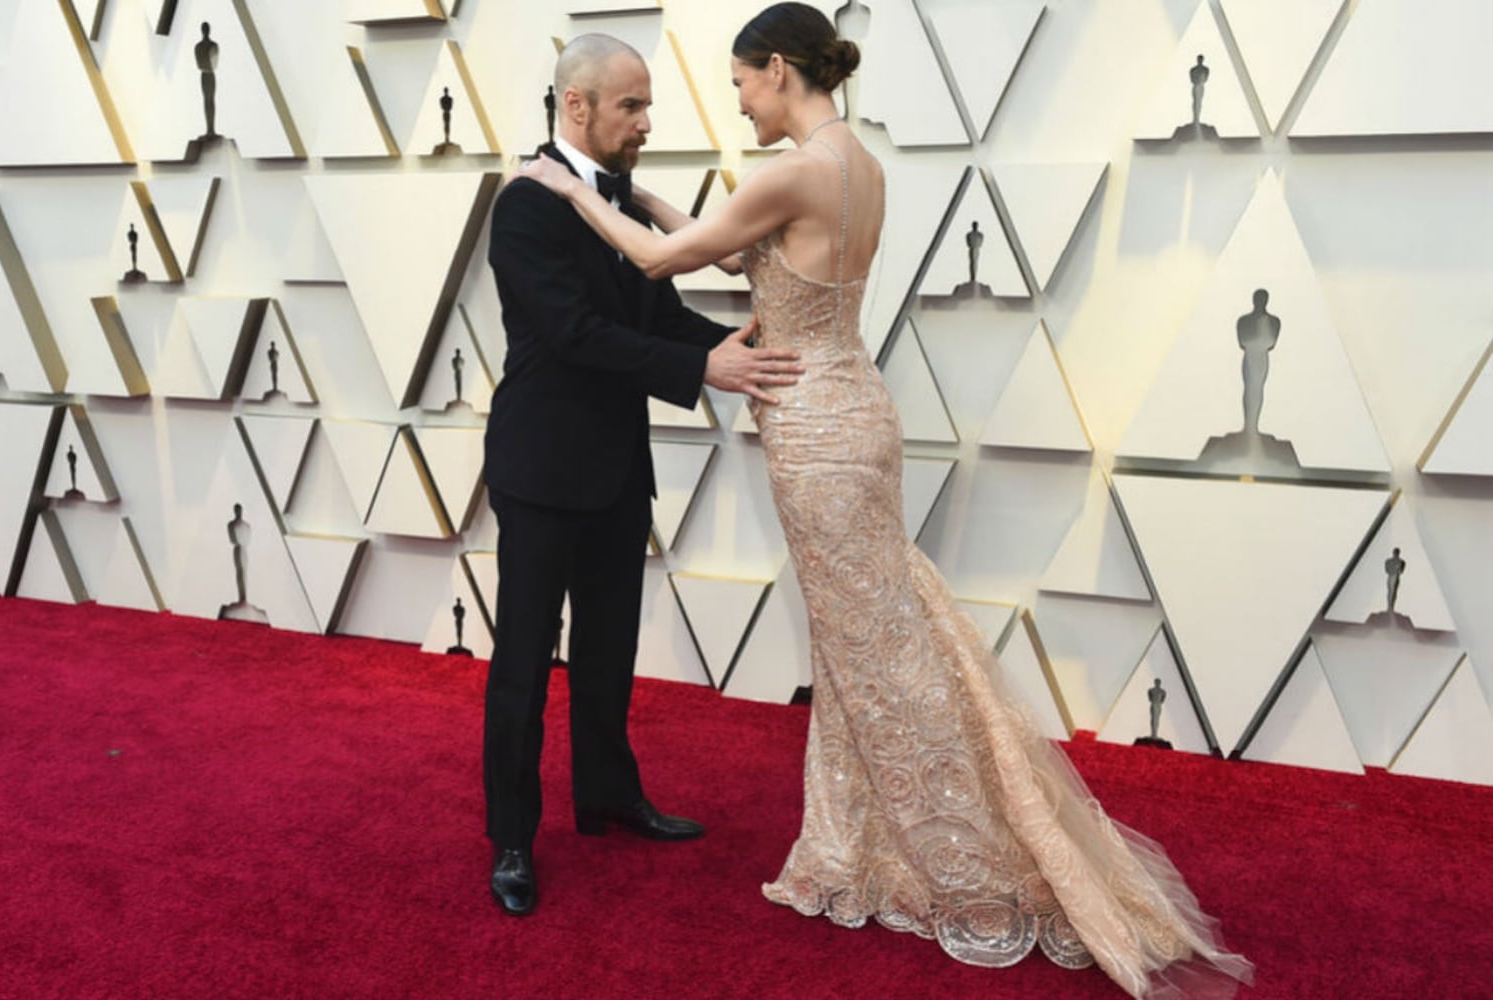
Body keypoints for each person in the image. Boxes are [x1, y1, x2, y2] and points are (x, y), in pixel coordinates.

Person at [518, 5, 1254, 996]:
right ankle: (864, 837)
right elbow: (739, 253)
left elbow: (661, 264)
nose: (734, 100)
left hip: (815, 430)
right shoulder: (852, 165)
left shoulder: (785, 171)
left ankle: (961, 844)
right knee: (874, 634)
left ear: (777, 70)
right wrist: (634, 191)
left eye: (740, 82)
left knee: (876, 649)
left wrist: (555, 183)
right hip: (856, 404)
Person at [483, 32, 801, 919]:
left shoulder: (611, 201)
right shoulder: (526, 206)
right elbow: (575, 334)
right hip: (543, 468)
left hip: (618, 467)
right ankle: (511, 835)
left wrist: (736, 349)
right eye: (632, 106)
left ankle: (608, 795)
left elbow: (656, 308)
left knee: (609, 647)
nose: (648, 123)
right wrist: (706, 371)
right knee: (521, 661)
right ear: (576, 105)